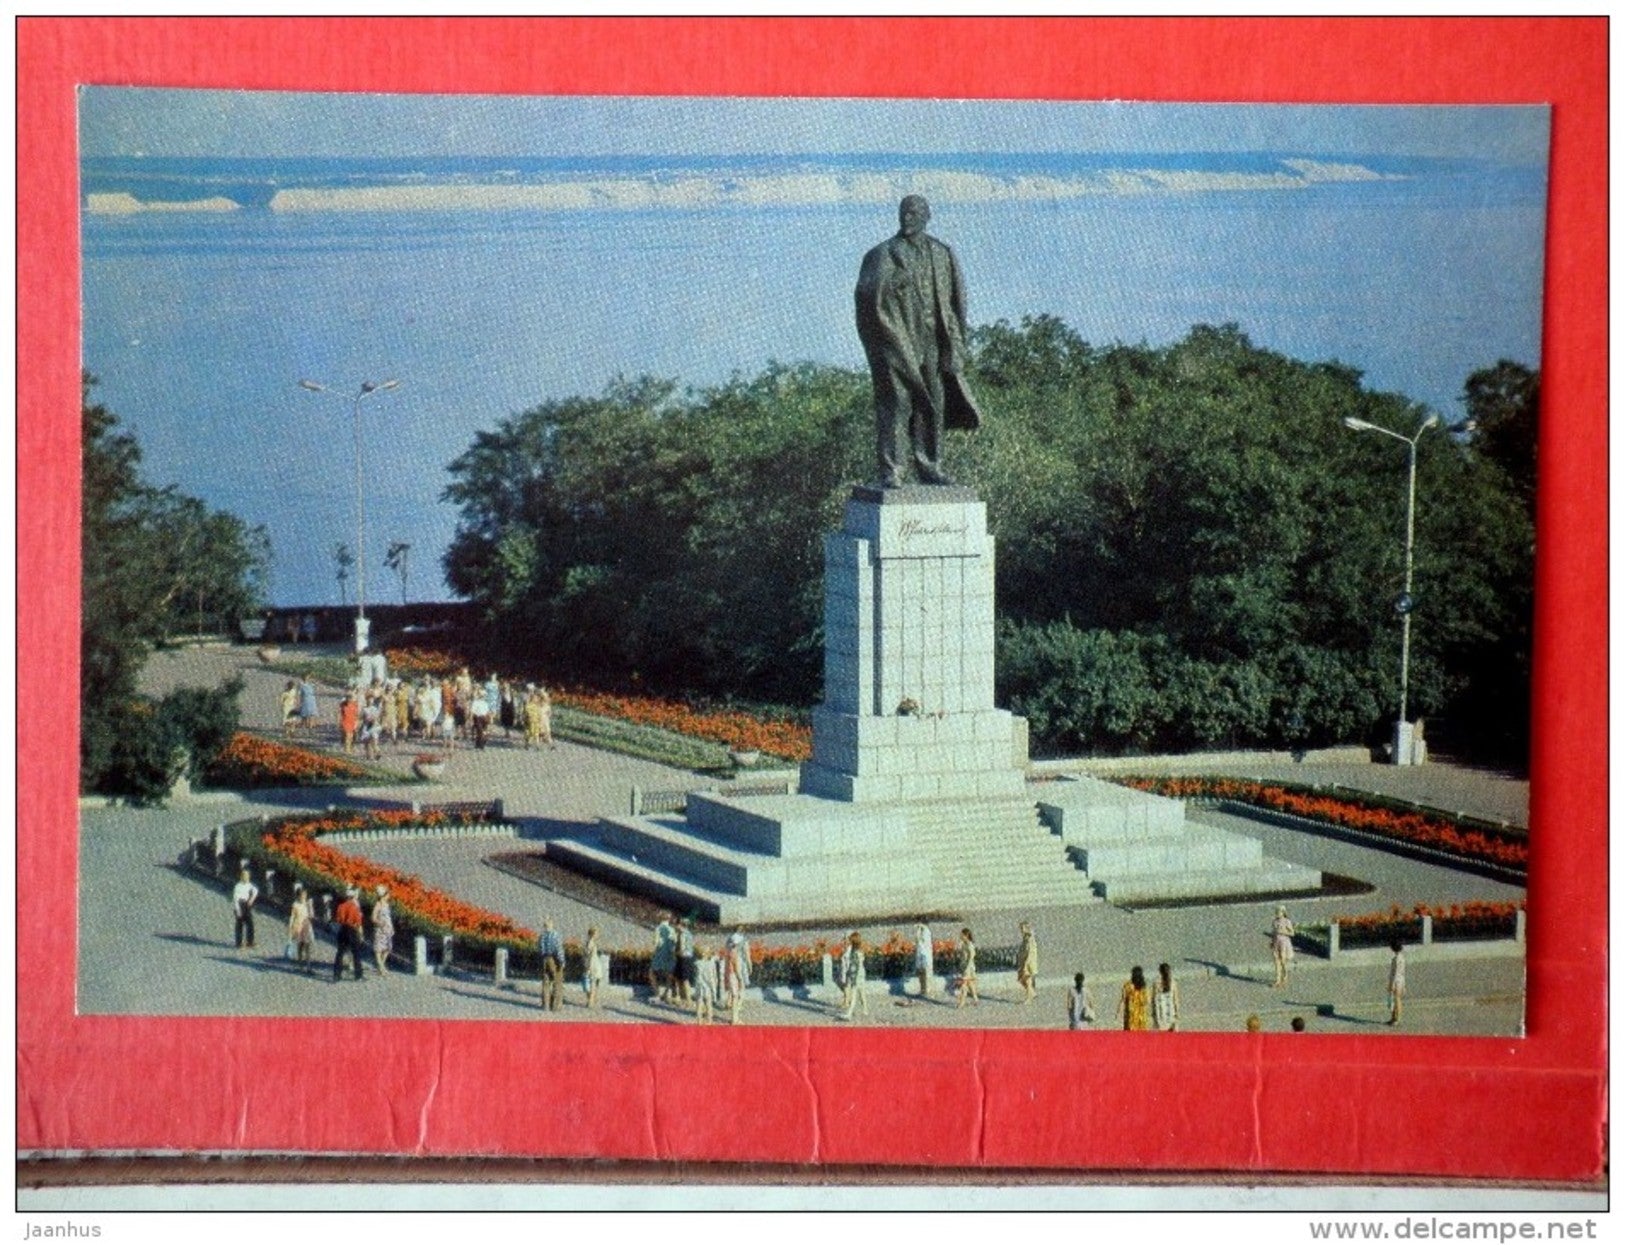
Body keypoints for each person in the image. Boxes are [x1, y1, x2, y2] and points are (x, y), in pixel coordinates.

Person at [854, 194, 983, 488]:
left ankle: (931, 465)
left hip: (934, 344)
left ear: (927, 216)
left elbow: (955, 303)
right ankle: (893, 469)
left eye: (913, 213)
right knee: (897, 402)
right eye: (903, 213)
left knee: (933, 405)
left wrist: (956, 347)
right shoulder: (882, 255)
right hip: (898, 345)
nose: (906, 218)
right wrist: (890, 295)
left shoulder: (942, 253)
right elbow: (867, 303)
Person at [333, 887, 365, 981]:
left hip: (343, 929)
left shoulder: (340, 906)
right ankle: (358, 975)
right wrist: (360, 933)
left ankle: (336, 975)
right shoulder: (355, 907)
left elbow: (338, 920)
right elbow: (358, 922)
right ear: (353, 896)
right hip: (352, 930)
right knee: (356, 953)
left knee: (340, 953)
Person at [839, 932, 869, 1021]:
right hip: (859, 973)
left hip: (857, 974)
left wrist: (851, 976)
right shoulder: (856, 949)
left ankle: (849, 1013)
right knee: (861, 992)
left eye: (849, 939)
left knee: (854, 994)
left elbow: (855, 965)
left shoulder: (855, 952)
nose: (848, 940)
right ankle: (865, 1009)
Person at [724, 928, 751, 1025]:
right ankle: (735, 1019)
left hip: (730, 975)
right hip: (735, 977)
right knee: (736, 997)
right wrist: (740, 980)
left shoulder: (729, 953)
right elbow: (737, 970)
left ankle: (734, 1018)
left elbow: (727, 967)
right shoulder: (736, 955)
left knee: (733, 996)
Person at [287, 883, 316, 972]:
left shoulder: (307, 903)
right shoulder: (295, 904)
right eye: (302, 895)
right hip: (298, 926)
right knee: (300, 946)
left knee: (308, 946)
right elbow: (292, 916)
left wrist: (310, 906)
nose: (304, 897)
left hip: (306, 926)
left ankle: (308, 966)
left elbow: (312, 916)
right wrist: (290, 927)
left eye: (305, 895)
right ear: (298, 896)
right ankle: (300, 965)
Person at [538, 918, 565, 1011]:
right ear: (552, 925)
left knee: (546, 983)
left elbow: (540, 949)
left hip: (545, 959)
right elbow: (558, 949)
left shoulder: (542, 936)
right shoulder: (555, 935)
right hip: (554, 959)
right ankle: (555, 1006)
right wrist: (562, 961)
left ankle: (545, 1005)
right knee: (557, 982)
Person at [650, 912, 677, 1003]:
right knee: (669, 975)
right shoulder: (672, 930)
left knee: (652, 973)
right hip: (669, 955)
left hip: (660, 953)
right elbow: (675, 942)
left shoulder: (658, 928)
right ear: (669, 919)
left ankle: (657, 994)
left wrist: (653, 953)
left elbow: (655, 943)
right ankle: (666, 994)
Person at [231, 867, 259, 949]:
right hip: (240, 905)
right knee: (239, 924)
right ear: (241, 876)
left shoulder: (249, 885)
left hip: (247, 905)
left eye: (247, 875)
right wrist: (238, 910)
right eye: (244, 875)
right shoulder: (238, 886)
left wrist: (252, 899)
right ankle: (238, 943)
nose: (246, 877)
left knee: (250, 924)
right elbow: (235, 899)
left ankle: (250, 942)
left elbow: (256, 890)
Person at [1117, 965, 1151, 1031]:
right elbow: (1148, 1001)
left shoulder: (1128, 985)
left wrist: (1118, 1013)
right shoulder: (1144, 987)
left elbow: (1123, 1000)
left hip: (1131, 1015)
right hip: (1142, 1016)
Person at [370, 884, 394, 976]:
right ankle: (381, 968)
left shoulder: (387, 904)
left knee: (388, 948)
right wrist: (380, 923)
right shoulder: (378, 905)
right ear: (384, 895)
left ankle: (381, 966)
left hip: (388, 929)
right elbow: (373, 918)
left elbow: (388, 917)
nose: (389, 896)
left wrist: (391, 927)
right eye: (388, 894)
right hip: (380, 930)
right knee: (378, 949)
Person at [1271, 905, 1297, 988]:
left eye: (1279, 912)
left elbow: (1292, 933)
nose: (1277, 914)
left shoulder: (1287, 921)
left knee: (1282, 960)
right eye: (1276, 912)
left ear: (1283, 913)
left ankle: (1285, 977)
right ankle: (1277, 980)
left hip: (1284, 942)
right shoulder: (1275, 921)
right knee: (1276, 961)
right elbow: (1274, 932)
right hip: (1276, 942)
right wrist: (1272, 941)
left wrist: (1282, 931)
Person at [675, 917, 697, 1007]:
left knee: (684, 980)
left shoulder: (682, 934)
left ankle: (688, 1000)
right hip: (690, 957)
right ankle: (686, 999)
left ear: (680, 925)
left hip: (683, 958)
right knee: (683, 979)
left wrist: (674, 952)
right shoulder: (690, 934)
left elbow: (682, 948)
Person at [955, 927, 980, 1008]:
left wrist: (967, 968)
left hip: (968, 968)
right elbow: (960, 953)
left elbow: (971, 957)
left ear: (966, 935)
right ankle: (975, 999)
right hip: (964, 966)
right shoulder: (964, 944)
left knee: (963, 985)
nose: (960, 936)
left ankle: (962, 1002)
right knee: (970, 983)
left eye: (962, 935)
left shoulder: (970, 945)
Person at [1152, 962, 1181, 1032]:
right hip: (1171, 1014)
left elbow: (1154, 1001)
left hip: (1160, 1015)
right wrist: (1177, 1013)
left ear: (1160, 972)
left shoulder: (1156, 983)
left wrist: (1154, 1014)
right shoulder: (1173, 983)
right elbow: (1176, 1000)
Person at [1015, 921, 1039, 1004]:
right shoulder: (1025, 938)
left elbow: (1030, 953)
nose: (1021, 930)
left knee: (1027, 980)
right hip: (1023, 962)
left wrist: (1026, 964)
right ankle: (1032, 993)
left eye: (1022, 928)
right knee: (1021, 979)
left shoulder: (1030, 939)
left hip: (1028, 963)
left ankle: (1029, 999)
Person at [694, 944, 717, 1023]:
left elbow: (695, 976)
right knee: (709, 1005)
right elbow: (711, 979)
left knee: (699, 1005)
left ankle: (699, 1021)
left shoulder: (697, 963)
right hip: (707, 987)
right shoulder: (710, 964)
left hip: (699, 986)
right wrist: (714, 990)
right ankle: (709, 1021)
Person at [583, 926, 605, 1009]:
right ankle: (590, 1001)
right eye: (596, 933)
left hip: (593, 963)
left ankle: (591, 1000)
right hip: (593, 964)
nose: (597, 935)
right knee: (592, 983)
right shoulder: (591, 943)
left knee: (592, 983)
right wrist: (589, 966)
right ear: (593, 934)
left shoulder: (589, 942)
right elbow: (589, 956)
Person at [1387, 939, 1407, 1026]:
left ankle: (1397, 1019)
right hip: (1400, 980)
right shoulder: (1401, 957)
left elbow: (1395, 973)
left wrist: (1392, 984)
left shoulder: (1397, 959)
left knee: (1396, 1000)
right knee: (1395, 1000)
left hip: (1397, 981)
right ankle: (1393, 1017)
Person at [913, 922, 934, 999]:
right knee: (920, 972)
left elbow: (921, 940)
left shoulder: (926, 931)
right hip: (920, 953)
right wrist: (918, 930)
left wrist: (920, 928)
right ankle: (922, 989)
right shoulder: (920, 930)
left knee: (925, 972)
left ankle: (926, 989)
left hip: (925, 954)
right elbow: (917, 940)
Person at [469, 684, 491, 750]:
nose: (483, 697)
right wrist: (470, 719)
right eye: (482, 695)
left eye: (484, 696)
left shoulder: (485, 703)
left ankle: (478, 744)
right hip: (477, 718)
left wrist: (490, 718)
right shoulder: (475, 702)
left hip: (484, 718)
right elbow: (472, 711)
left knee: (484, 732)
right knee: (480, 731)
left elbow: (487, 711)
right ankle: (481, 746)